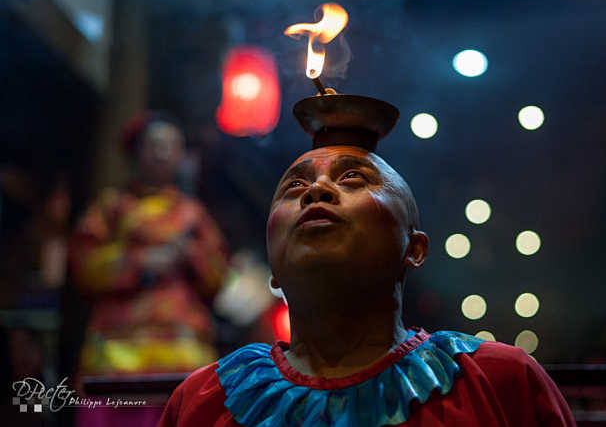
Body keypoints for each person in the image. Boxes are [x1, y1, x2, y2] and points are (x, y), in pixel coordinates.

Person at [157, 138, 575, 426]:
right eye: (295, 185)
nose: (316, 190)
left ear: (414, 249)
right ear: (274, 269)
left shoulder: (500, 381)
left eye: (353, 178)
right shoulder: (206, 399)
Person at [69, 112, 229, 379]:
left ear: (181, 156)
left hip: (183, 348)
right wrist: (140, 261)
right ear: (136, 152)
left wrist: (189, 255)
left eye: (170, 146)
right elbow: (83, 266)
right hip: (117, 350)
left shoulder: (194, 214)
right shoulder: (111, 208)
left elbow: (219, 276)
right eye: (154, 145)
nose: (162, 153)